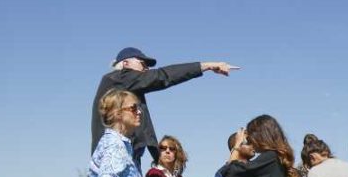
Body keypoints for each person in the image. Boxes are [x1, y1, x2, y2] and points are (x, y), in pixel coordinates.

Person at [91, 47, 239, 168]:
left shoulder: (130, 89)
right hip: (116, 155)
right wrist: (207, 66)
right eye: (142, 63)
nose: (146, 69)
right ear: (125, 64)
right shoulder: (119, 78)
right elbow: (162, 76)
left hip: (129, 155)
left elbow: (146, 129)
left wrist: (159, 159)